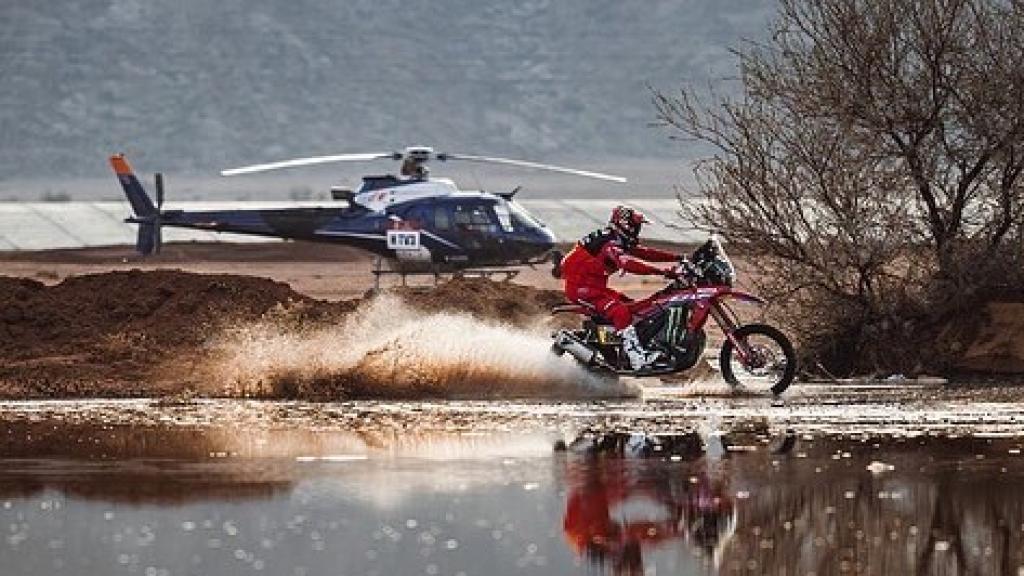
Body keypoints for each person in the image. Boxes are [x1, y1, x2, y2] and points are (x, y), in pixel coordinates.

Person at [559, 206, 679, 370]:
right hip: (582, 290)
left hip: (595, 288)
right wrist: (661, 272)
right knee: (620, 312)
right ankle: (638, 358)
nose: (638, 230)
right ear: (626, 225)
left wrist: (679, 258)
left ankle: (626, 347)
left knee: (635, 308)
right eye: (636, 226)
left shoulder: (616, 238)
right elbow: (628, 263)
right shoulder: (610, 243)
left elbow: (645, 253)